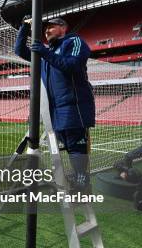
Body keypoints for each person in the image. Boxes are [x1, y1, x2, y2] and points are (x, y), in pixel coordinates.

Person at [14, 17, 95, 193]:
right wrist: (24, 28)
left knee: (76, 147)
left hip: (75, 107)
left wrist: (45, 53)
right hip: (55, 110)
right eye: (45, 29)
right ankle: (76, 181)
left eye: (51, 27)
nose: (46, 31)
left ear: (63, 28)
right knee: (66, 145)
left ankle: (83, 185)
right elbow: (19, 50)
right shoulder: (46, 52)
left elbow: (72, 65)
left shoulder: (74, 41)